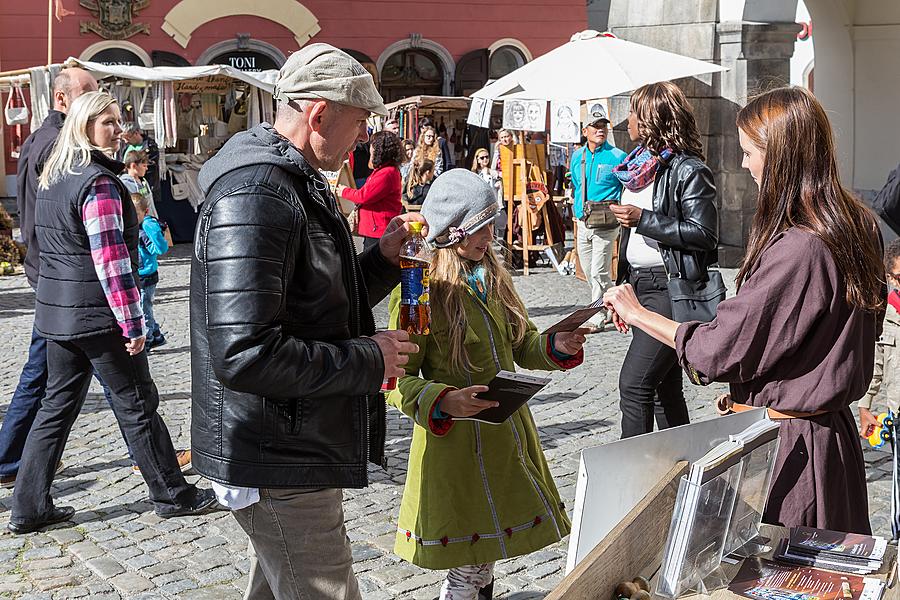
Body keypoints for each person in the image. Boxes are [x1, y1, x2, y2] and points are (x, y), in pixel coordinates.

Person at [191, 44, 424, 599]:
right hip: (276, 450)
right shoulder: (258, 191)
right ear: (319, 113)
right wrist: (369, 358)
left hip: (291, 440)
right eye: (361, 120)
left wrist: (380, 262)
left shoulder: (290, 180)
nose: (365, 136)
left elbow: (312, 303)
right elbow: (244, 352)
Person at [604, 86, 885, 534]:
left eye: (750, 152)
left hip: (795, 453)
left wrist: (638, 313)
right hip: (827, 441)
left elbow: (721, 346)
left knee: (795, 572)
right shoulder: (857, 223)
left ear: (781, 156)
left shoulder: (801, 246)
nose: (744, 164)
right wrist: (754, 392)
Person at [9, 91, 216, 534]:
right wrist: (133, 320)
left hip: (58, 312)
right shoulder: (97, 183)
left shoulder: (56, 175)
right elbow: (111, 261)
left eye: (119, 121)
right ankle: (173, 495)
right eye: (109, 122)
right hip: (97, 316)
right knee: (137, 404)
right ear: (85, 126)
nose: (119, 130)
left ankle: (28, 506)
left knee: (55, 407)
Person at [387, 169, 586, 600]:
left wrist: (556, 343)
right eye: (480, 227)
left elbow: (524, 343)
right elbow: (396, 379)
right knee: (467, 567)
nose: (489, 236)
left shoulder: (492, 276)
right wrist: (442, 399)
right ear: (451, 230)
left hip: (504, 438)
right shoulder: (419, 289)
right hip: (454, 448)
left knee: (483, 559)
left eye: (490, 225)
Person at [1, 67, 107, 489]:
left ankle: (14, 461)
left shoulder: (46, 138)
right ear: (62, 100)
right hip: (59, 277)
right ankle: (9, 461)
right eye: (86, 94)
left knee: (58, 377)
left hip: (54, 274)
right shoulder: (56, 144)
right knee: (49, 374)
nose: (93, 101)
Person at [607, 82, 718, 438]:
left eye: (633, 111)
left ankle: (634, 477)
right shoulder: (639, 165)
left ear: (653, 118)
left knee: (635, 383)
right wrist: (622, 287)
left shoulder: (689, 170)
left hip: (670, 288)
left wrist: (643, 219)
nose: (626, 121)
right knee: (662, 389)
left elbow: (704, 234)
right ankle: (681, 471)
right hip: (641, 284)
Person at [570, 104, 626, 333]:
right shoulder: (577, 156)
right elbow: (576, 184)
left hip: (606, 222)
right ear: (586, 131)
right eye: (595, 126)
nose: (600, 129)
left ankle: (598, 315)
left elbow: (627, 187)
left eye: (603, 125)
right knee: (588, 269)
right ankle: (617, 303)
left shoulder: (618, 156)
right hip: (584, 221)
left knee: (598, 271)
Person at [858, 238, 900, 539]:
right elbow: (878, 362)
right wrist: (865, 404)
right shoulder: (888, 314)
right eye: (899, 277)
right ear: (889, 276)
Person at [336, 130, 404, 250]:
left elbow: (364, 196)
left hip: (378, 230)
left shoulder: (387, 172)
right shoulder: (385, 171)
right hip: (376, 229)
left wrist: (344, 191)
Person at [131, 192, 169, 350]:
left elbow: (160, 248)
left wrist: (148, 248)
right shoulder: (137, 226)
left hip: (147, 276)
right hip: (140, 274)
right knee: (143, 307)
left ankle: (148, 339)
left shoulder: (146, 227)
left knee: (144, 308)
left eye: (136, 214)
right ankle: (157, 335)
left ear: (145, 212)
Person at [118, 123, 160, 201]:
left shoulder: (150, 146)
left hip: (145, 186)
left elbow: (151, 167)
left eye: (128, 138)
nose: (126, 141)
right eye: (124, 139)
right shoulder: (125, 147)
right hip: (128, 185)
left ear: (136, 133)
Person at [119, 149, 158, 217]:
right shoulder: (124, 184)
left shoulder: (144, 182)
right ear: (133, 166)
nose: (146, 169)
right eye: (144, 166)